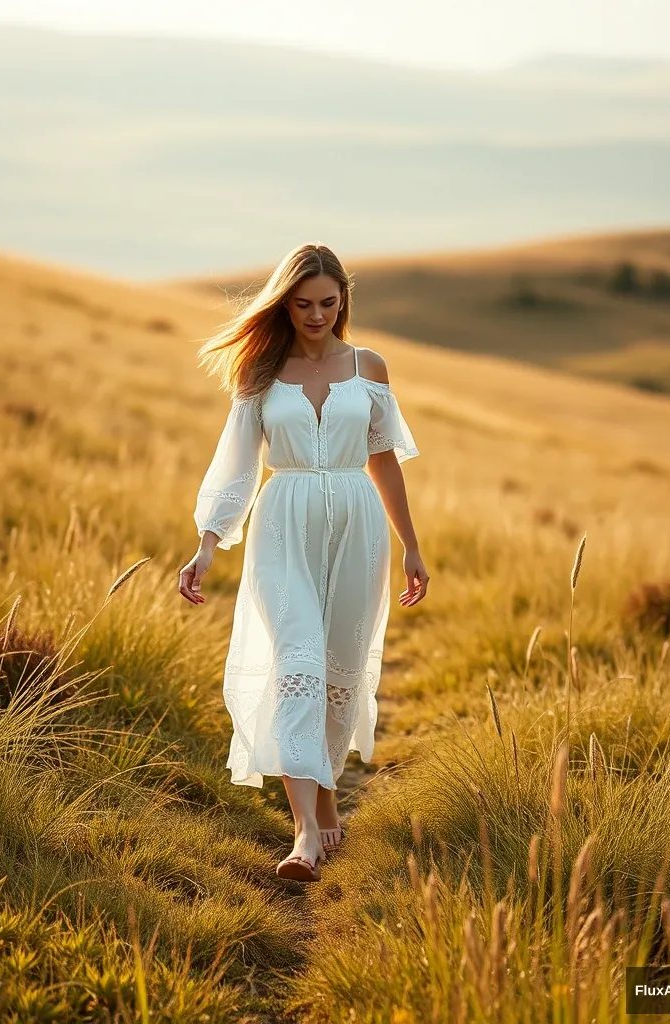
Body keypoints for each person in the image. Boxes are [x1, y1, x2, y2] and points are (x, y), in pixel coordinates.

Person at [178, 242, 429, 882]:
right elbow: (234, 465)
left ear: (344, 299)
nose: (315, 314)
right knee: (297, 662)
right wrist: (207, 545)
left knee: (338, 670)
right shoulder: (260, 375)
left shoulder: (368, 366)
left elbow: (382, 459)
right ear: (284, 303)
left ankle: (326, 799)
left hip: (358, 526)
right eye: (302, 303)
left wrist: (411, 546)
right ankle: (305, 836)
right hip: (281, 524)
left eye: (327, 302)